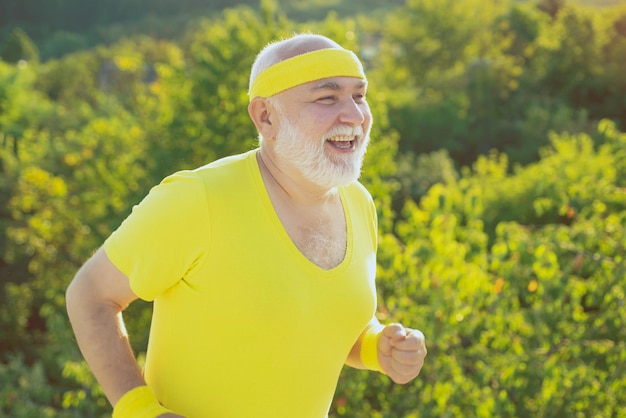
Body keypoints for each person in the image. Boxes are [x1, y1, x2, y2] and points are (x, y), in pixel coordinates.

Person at [66, 33, 427, 418]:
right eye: (327, 97)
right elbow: (90, 295)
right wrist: (139, 410)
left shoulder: (359, 202)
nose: (355, 116)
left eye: (359, 95)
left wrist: (377, 346)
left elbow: (322, 321)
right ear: (265, 117)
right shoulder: (199, 198)